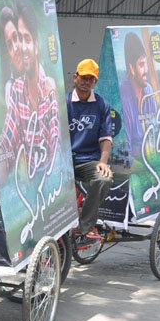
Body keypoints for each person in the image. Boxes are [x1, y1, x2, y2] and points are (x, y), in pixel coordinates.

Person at [0, 4, 63, 209]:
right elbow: (8, 138)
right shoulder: (16, 89)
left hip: (49, 188)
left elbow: (56, 146)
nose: (20, 47)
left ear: (36, 44)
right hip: (26, 188)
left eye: (25, 39)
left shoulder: (49, 89)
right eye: (13, 41)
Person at [68, 58, 114, 243]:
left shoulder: (102, 105)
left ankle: (84, 227)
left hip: (88, 160)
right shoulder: (63, 103)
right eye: (83, 77)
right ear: (75, 78)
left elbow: (106, 138)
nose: (86, 82)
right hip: (64, 161)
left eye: (91, 79)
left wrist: (103, 162)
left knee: (104, 179)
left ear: (95, 81)